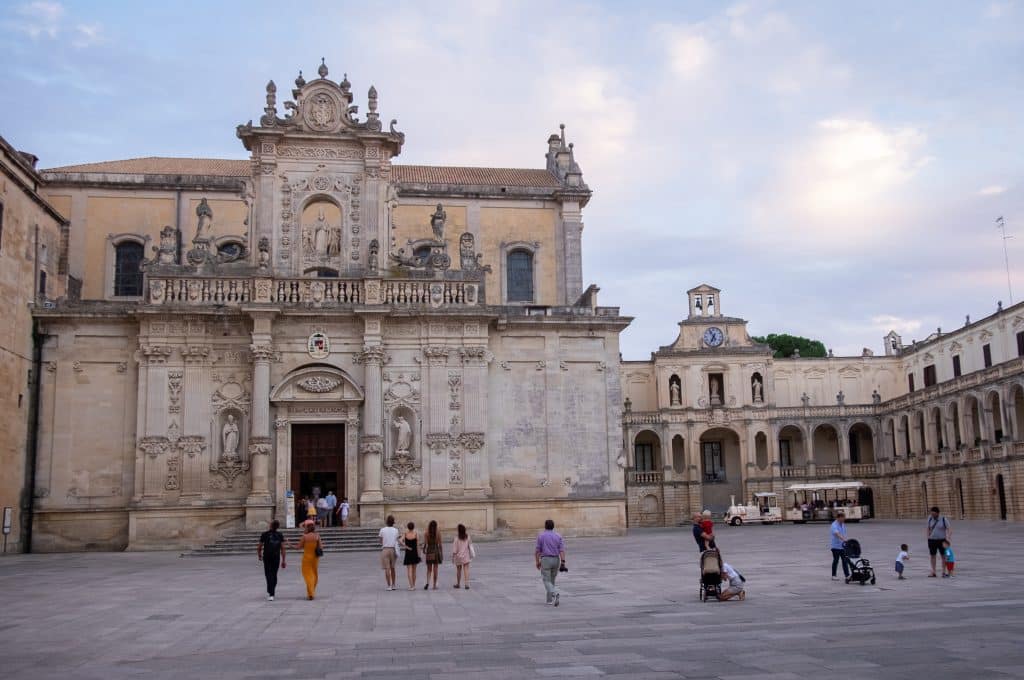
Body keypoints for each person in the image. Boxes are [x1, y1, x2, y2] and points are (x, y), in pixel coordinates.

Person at [535, 519, 566, 606]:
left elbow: (537, 551)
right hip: (556, 560)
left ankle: (555, 593)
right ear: (553, 526)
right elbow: (562, 550)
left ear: (545, 526)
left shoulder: (541, 536)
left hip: (546, 559)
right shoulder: (558, 536)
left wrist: (537, 562)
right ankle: (549, 600)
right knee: (552, 580)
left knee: (546, 580)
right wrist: (563, 562)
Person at [257, 519, 287, 601]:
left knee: (268, 574)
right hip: (276, 557)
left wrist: (259, 555)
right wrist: (283, 560)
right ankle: (271, 590)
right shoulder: (280, 535)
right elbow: (283, 548)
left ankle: (271, 592)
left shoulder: (265, 534)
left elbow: (259, 546)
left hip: (267, 557)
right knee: (274, 574)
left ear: (270, 525)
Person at [293, 522, 322, 600]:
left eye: (305, 527)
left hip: (306, 558)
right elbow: (321, 547)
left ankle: (311, 593)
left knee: (307, 575)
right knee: (314, 574)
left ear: (307, 528)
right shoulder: (317, 536)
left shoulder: (304, 537)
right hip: (315, 558)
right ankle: (311, 592)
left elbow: (298, 547)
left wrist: (289, 545)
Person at [926, 506, 952, 577]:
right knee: (932, 556)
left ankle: (943, 571)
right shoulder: (930, 518)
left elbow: (949, 528)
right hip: (932, 540)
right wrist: (928, 537)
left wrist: (948, 538)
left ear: (938, 513)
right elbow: (928, 528)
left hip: (942, 540)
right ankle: (933, 571)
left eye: (934, 514)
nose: (932, 515)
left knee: (943, 556)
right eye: (931, 514)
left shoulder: (943, 519)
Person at [379, 515, 400, 591]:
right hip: (393, 549)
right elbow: (397, 540)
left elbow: (381, 541)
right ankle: (394, 585)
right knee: (393, 568)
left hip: (385, 549)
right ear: (393, 522)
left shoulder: (382, 530)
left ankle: (389, 585)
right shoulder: (396, 530)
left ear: (386, 522)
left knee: (387, 568)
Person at [829, 511, 852, 582]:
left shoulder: (843, 524)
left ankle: (847, 575)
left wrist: (846, 541)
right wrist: (844, 539)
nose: (844, 519)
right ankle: (834, 575)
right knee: (836, 560)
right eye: (843, 518)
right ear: (839, 517)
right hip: (835, 546)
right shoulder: (834, 525)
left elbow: (843, 533)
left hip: (842, 546)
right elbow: (837, 534)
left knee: (845, 561)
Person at [422, 520, 443, 590]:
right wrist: (441, 553)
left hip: (429, 551)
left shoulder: (426, 533)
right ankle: (434, 585)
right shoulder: (438, 533)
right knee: (435, 569)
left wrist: (424, 549)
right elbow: (440, 545)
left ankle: (427, 582)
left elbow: (425, 543)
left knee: (429, 569)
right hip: (436, 550)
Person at [400, 522, 422, 590]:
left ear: (408, 527)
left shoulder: (405, 533)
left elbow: (400, 540)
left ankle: (411, 585)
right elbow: (418, 545)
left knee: (409, 570)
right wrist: (419, 555)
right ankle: (414, 585)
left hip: (408, 553)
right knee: (414, 571)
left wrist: (406, 547)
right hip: (415, 553)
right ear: (413, 527)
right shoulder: (416, 534)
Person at [452, 523, 473, 589]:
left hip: (458, 557)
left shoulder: (456, 538)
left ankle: (458, 584)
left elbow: (454, 549)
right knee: (466, 570)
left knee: (458, 570)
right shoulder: (468, 537)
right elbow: (470, 546)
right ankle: (466, 584)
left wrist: (453, 557)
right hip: (466, 556)